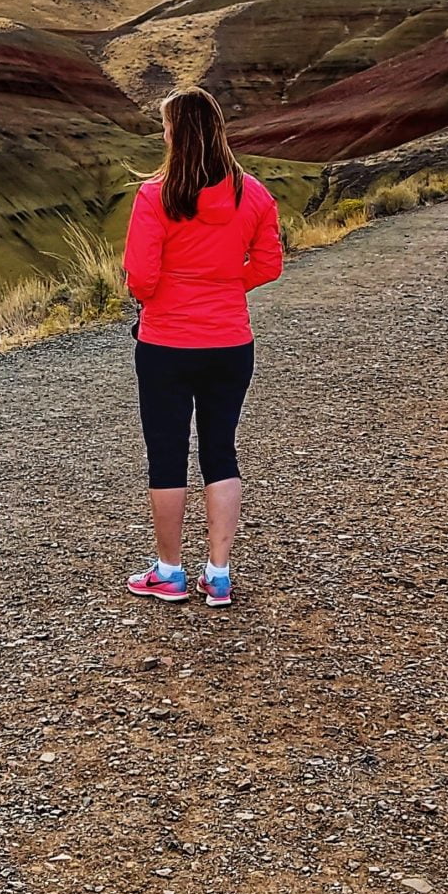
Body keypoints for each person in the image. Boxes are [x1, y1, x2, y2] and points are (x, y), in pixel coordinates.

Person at [122, 87, 282, 606]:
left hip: (165, 342)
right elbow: (269, 264)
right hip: (231, 342)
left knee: (166, 454)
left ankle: (169, 572)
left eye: (166, 125)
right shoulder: (254, 194)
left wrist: (176, 288)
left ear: (178, 133)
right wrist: (224, 285)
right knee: (220, 451)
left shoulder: (155, 196)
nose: (163, 133)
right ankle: (219, 575)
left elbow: (141, 280)